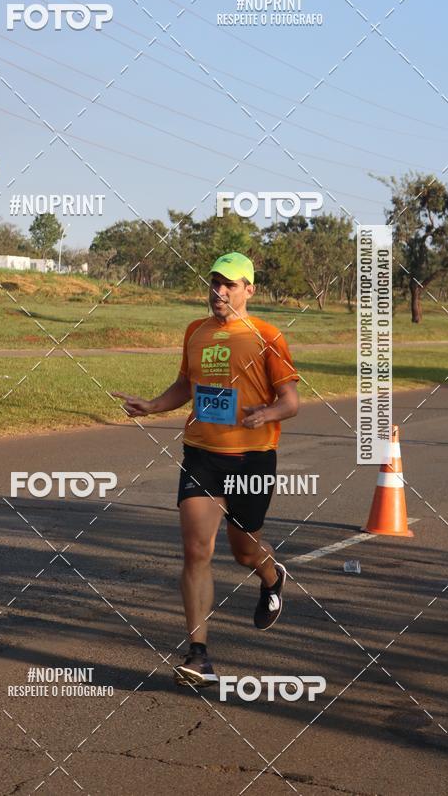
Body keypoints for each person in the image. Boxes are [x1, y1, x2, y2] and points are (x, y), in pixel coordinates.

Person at [113, 252, 299, 687]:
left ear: (249, 290)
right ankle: (199, 655)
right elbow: (185, 385)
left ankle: (272, 576)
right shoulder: (195, 331)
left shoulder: (268, 336)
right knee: (197, 550)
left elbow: (291, 402)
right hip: (201, 454)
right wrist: (154, 405)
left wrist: (266, 414)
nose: (219, 291)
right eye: (215, 282)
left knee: (244, 550)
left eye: (230, 284)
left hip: (252, 458)